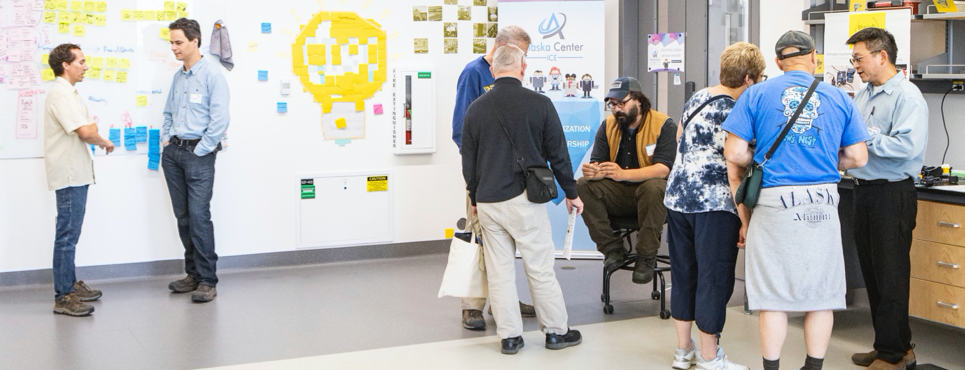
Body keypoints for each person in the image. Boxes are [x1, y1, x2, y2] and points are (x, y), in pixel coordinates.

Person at [722, 30, 869, 370]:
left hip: (775, 202)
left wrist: (759, 160)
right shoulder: (839, 97)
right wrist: (829, 162)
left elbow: (735, 151)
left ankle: (772, 367)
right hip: (821, 200)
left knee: (773, 295)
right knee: (821, 294)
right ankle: (812, 366)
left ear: (777, 62)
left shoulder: (756, 94)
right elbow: (858, 157)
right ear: (814, 57)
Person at [461, 43, 584, 355]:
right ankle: (556, 332)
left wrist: (474, 196)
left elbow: (468, 160)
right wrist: (571, 193)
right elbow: (559, 155)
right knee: (539, 268)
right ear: (523, 68)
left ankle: (510, 338)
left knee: (500, 272)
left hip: (488, 201)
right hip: (524, 200)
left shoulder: (476, 109)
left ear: (492, 71)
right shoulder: (539, 104)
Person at [664, 42, 765, 370]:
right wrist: (745, 219)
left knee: (683, 274)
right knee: (714, 277)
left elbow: (681, 137)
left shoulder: (698, 97)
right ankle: (710, 357)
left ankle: (683, 351)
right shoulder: (737, 110)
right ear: (748, 79)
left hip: (677, 199)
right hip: (713, 205)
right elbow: (734, 173)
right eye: (760, 77)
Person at [846, 27, 928, 370]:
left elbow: (908, 146)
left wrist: (866, 140)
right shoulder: (863, 94)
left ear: (882, 56)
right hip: (863, 191)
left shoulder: (907, 97)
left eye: (859, 58)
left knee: (891, 275)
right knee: (874, 274)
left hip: (892, 193)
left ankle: (892, 356)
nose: (855, 65)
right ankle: (891, 346)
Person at [450, 25, 535, 330]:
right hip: (483, 173)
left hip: (511, 175)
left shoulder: (513, 78)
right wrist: (476, 173)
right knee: (478, 235)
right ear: (502, 46)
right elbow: (461, 130)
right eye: (519, 53)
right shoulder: (474, 73)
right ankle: (472, 305)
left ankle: (505, 299)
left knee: (505, 240)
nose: (522, 61)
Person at [576, 76, 676, 284]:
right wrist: (595, 171)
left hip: (651, 197)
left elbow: (662, 169)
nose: (617, 109)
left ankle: (646, 257)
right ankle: (612, 249)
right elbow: (599, 162)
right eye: (613, 104)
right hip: (619, 195)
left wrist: (622, 173)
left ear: (638, 100)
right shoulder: (608, 126)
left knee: (654, 187)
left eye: (622, 103)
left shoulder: (663, 125)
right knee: (583, 186)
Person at [161, 18, 230, 303]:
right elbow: (167, 113)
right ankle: (192, 274)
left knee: (200, 217)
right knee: (184, 217)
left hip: (199, 155)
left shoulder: (212, 75)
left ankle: (207, 279)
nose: (174, 48)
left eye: (178, 42)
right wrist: (167, 141)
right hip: (174, 154)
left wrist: (202, 149)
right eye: (171, 43)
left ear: (194, 41)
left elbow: (220, 119)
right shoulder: (178, 77)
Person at [43, 43, 115, 316]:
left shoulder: (68, 93)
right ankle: (63, 296)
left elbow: (87, 127)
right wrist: (102, 138)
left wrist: (90, 128)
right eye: (81, 62)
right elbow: (87, 131)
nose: (85, 66)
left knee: (70, 234)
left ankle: (70, 285)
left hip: (75, 171)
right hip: (69, 173)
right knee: (67, 236)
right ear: (66, 65)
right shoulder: (61, 95)